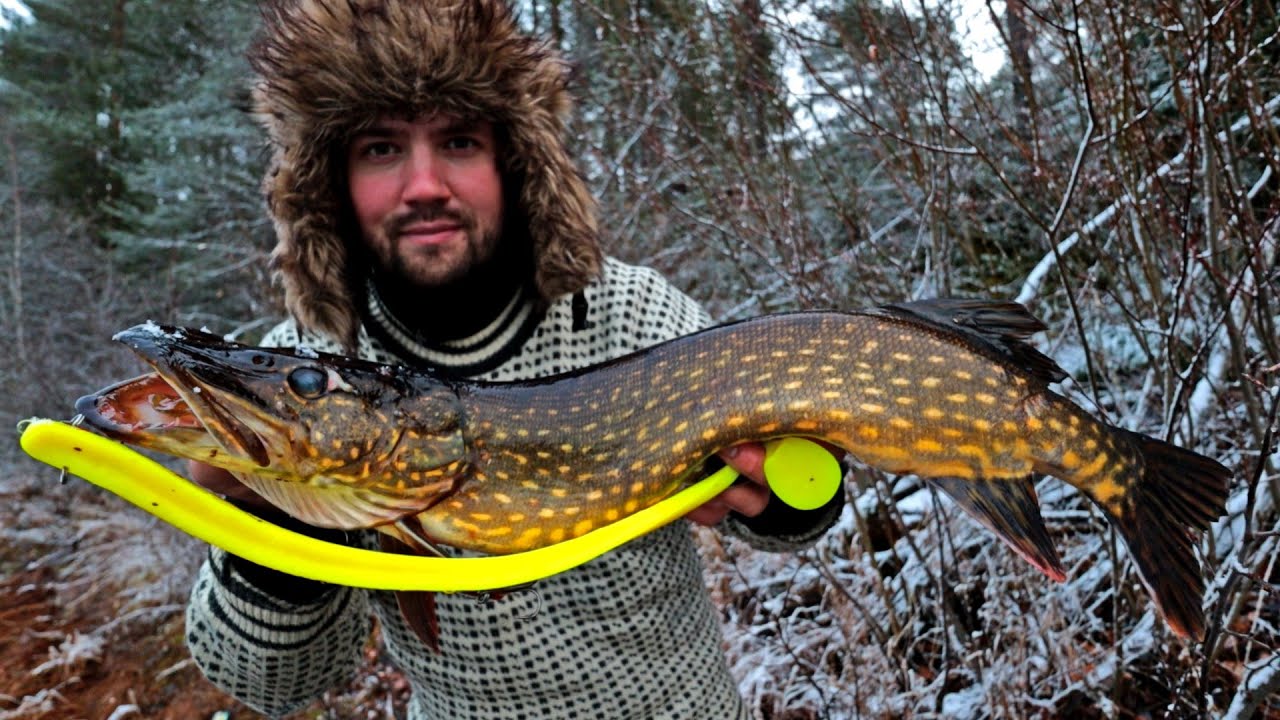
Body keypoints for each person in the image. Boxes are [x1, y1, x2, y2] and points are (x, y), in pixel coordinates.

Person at [185, 2, 844, 718]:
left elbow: (792, 516)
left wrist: (790, 492)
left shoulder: (634, 317)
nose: (425, 185)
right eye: (380, 148)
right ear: (328, 184)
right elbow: (264, 684)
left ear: (514, 163)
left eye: (460, 141)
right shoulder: (304, 380)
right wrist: (279, 539)